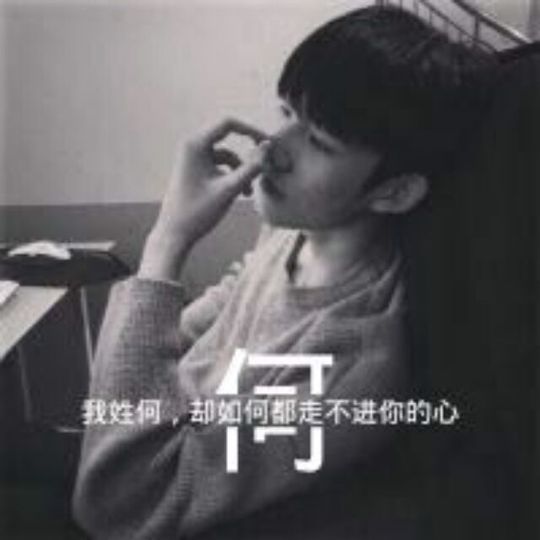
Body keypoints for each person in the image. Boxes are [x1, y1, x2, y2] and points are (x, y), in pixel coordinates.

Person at [72, 5, 496, 539]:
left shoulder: (350, 369)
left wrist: (167, 242)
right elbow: (187, 340)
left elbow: (120, 507)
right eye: (286, 112)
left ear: (393, 192)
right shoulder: (289, 234)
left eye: (319, 141)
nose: (272, 150)